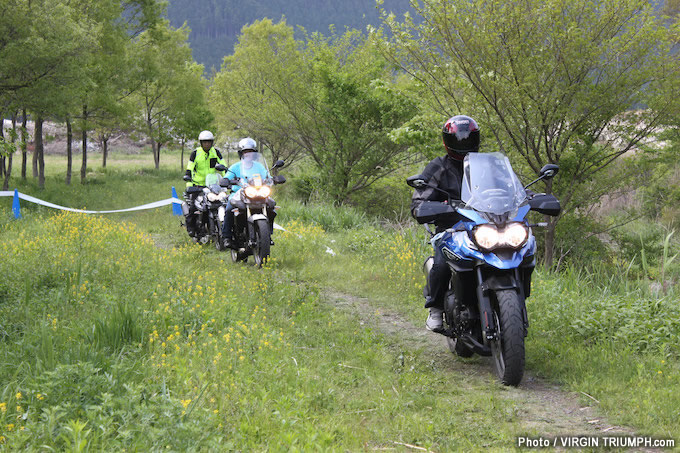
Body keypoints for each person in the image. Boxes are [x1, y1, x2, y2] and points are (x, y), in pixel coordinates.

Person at [410, 115, 480, 331]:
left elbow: (507, 186)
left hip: (483, 226)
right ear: (447, 141)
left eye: (468, 139)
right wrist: (429, 207)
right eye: (459, 140)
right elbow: (420, 199)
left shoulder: (485, 165)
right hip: (450, 229)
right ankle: (436, 308)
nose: (464, 143)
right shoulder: (438, 167)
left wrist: (528, 195)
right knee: (441, 265)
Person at [221, 137, 270, 249]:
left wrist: (273, 179)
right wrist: (226, 180)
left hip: (258, 193)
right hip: (238, 193)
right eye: (246, 152)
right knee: (229, 208)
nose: (248, 154)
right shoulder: (235, 166)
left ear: (255, 154)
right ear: (241, 153)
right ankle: (226, 236)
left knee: (271, 205)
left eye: (251, 152)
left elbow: (268, 176)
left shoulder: (259, 166)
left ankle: (267, 234)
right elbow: (226, 177)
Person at [183, 130, 226, 238]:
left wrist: (226, 180)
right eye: (204, 142)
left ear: (212, 142)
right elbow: (189, 169)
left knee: (221, 204)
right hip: (198, 185)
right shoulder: (195, 153)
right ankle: (191, 228)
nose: (207, 144)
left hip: (212, 185)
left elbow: (223, 167)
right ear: (201, 143)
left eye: (209, 142)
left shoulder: (216, 152)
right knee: (193, 207)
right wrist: (189, 184)